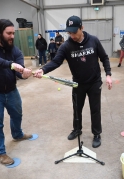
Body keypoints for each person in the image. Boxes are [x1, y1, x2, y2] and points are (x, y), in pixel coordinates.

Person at [34, 16, 112, 148]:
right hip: (77, 84)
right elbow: (56, 61)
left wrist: (108, 74)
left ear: (82, 28)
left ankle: (97, 134)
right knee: (77, 109)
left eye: (74, 32)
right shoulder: (66, 46)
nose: (72, 35)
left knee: (95, 109)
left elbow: (104, 58)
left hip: (94, 82)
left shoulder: (93, 40)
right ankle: (77, 129)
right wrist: (43, 70)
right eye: (69, 33)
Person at [0, 19, 33, 166]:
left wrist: (23, 74)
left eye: (13, 33)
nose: (12, 36)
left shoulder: (14, 50)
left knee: (17, 114)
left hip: (11, 90)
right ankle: (0, 153)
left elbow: (19, 69)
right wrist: (10, 64)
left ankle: (17, 134)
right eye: (9, 33)